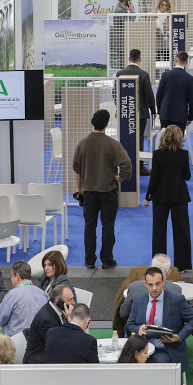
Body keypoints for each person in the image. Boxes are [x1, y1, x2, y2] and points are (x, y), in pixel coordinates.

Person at [73, 109, 132, 270]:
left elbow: (76, 168)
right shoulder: (113, 144)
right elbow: (126, 165)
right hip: (108, 191)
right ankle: (107, 259)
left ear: (92, 122)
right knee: (108, 226)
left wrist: (80, 189)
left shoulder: (82, 143)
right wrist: (120, 177)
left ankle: (89, 260)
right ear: (106, 124)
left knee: (89, 226)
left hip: (89, 192)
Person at [125, 265, 193, 370]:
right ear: (145, 284)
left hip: (165, 350)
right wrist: (138, 329)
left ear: (164, 281)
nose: (154, 288)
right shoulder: (138, 301)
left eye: (157, 284)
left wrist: (179, 336)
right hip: (142, 349)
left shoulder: (176, 300)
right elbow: (129, 325)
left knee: (152, 363)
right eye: (150, 285)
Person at [143, 125, 192, 270]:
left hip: (160, 197)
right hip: (180, 196)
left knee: (159, 231)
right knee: (181, 231)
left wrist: (148, 197)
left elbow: (154, 178)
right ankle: (182, 265)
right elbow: (187, 176)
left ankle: (159, 265)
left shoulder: (157, 154)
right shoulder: (183, 154)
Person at [0, 261, 46, 337]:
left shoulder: (13, 295)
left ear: (17, 276)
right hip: (38, 343)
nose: (11, 279)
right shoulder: (42, 294)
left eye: (12, 276)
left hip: (16, 343)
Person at [120, 48, 157, 173]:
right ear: (139, 60)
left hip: (123, 114)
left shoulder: (120, 73)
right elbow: (149, 95)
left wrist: (120, 107)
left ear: (129, 58)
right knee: (139, 139)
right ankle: (139, 167)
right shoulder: (144, 74)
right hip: (140, 114)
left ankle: (124, 166)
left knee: (124, 139)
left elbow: (115, 93)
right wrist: (153, 110)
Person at [24, 284, 76, 364]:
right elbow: (63, 344)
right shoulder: (46, 320)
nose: (73, 302)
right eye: (69, 300)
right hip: (38, 364)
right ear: (58, 302)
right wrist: (71, 321)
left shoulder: (60, 312)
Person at [156, 51, 193, 133]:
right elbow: (192, 100)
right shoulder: (189, 78)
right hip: (180, 115)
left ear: (175, 60)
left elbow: (159, 95)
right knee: (178, 141)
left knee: (165, 141)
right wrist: (190, 116)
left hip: (165, 114)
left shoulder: (165, 75)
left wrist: (160, 111)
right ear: (186, 63)